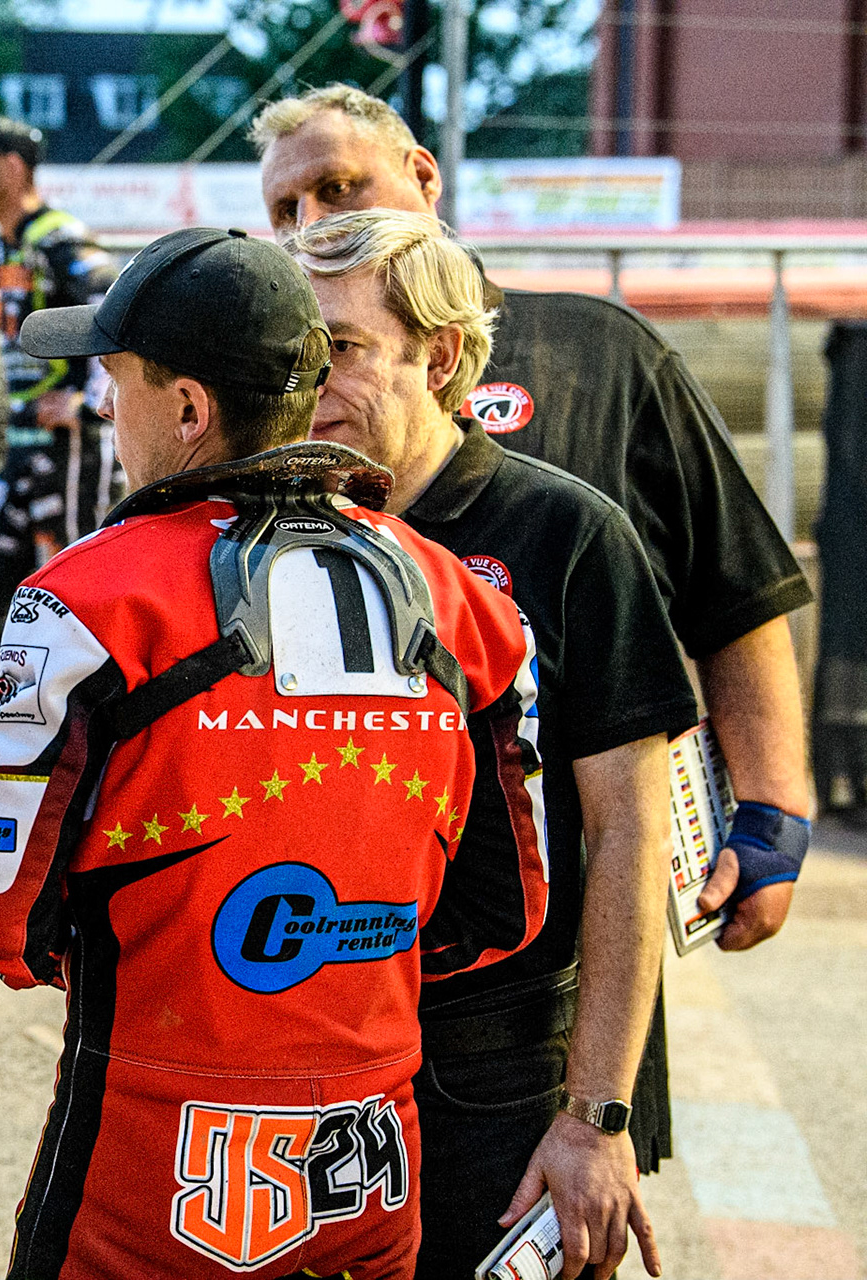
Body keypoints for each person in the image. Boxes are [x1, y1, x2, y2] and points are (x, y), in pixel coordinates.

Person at [0, 226, 547, 1280]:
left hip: (154, 1145)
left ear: (187, 408)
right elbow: (504, 908)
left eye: (116, 380)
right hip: (372, 1155)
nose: (100, 406)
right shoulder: (471, 601)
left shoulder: (85, 598)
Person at [253, 81, 814, 1196]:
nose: (311, 217)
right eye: (285, 206)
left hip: (569, 912)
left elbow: (733, 589)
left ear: (423, 178)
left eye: (340, 185)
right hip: (364, 945)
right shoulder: (284, 407)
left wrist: (774, 811)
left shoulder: (599, 351)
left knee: (568, 1168)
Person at [292, 208, 698, 1278]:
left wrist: (599, 1118)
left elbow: (627, 836)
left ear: (444, 356)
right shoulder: (278, 537)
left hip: (503, 1072)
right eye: (293, 352)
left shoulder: (568, 534)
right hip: (310, 1064)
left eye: (341, 348)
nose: (311, 384)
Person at [0, 115, 121, 761]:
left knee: (77, 623)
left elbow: (118, 300)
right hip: (20, 458)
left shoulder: (58, 235)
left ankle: (94, 769)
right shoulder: (0, 245)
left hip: (70, 458)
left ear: (14, 168)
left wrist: (92, 399)